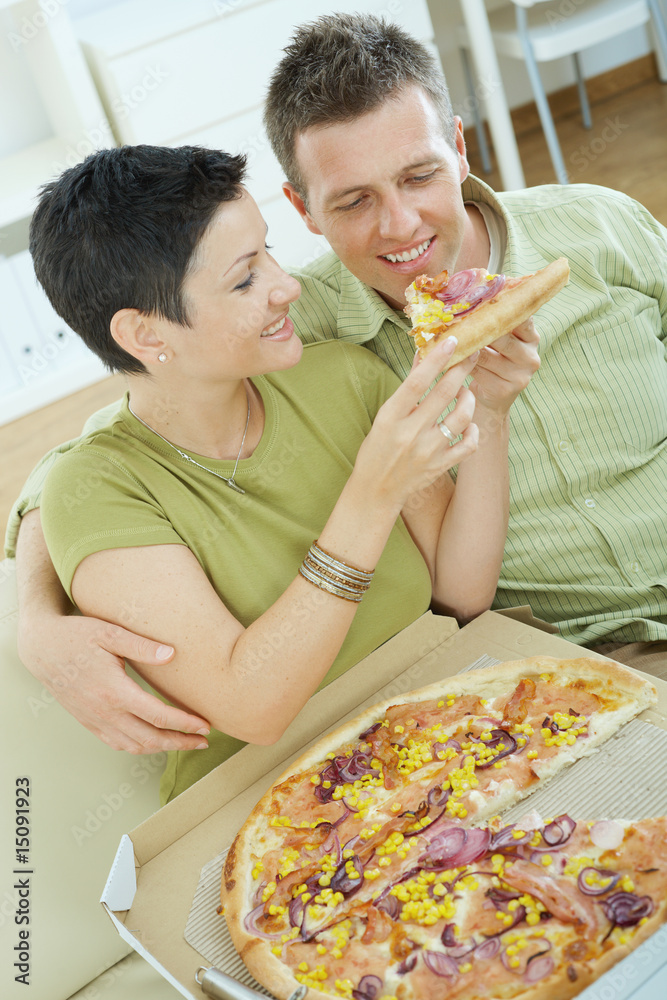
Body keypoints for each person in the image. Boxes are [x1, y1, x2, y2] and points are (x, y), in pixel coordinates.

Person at [9, 12, 665, 757]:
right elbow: (100, 453)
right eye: (352, 200)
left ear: (457, 145)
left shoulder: (599, 226)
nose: (399, 224)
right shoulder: (298, 336)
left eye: (419, 175)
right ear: (303, 210)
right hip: (570, 660)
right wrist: (32, 619)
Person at [18, 143, 535, 802]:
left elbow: (461, 593)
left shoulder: (343, 376)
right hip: (280, 807)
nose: (286, 286)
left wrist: (488, 409)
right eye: (243, 279)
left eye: (268, 252)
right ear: (147, 336)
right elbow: (254, 706)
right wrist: (370, 496)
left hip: (439, 738)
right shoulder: (98, 491)